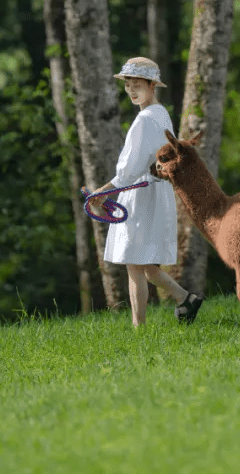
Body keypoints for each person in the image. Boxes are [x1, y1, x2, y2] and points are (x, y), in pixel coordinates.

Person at [86, 57, 204, 327]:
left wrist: (102, 193)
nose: (131, 90)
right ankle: (186, 299)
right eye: (127, 84)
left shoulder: (145, 119)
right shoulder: (160, 113)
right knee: (147, 266)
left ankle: (139, 329)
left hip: (141, 195)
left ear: (152, 85)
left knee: (134, 264)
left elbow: (129, 170)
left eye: (137, 84)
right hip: (154, 193)